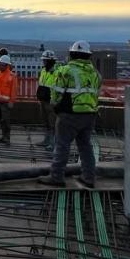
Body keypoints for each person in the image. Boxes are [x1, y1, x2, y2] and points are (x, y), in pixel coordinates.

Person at [38, 41, 101, 188]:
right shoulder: (96, 74)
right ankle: (88, 177)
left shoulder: (65, 70)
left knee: (62, 146)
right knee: (85, 147)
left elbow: (56, 94)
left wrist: (56, 106)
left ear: (71, 54)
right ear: (88, 56)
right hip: (89, 115)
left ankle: (56, 176)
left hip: (69, 115)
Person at [0, 55, 17, 143]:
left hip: (6, 103)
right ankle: (3, 136)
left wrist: (11, 101)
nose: (0, 66)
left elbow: (13, 89)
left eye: (2, 65)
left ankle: (7, 138)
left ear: (6, 65)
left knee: (6, 120)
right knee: (0, 120)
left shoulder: (11, 75)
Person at [36, 50, 58, 148]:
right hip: (43, 100)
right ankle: (47, 140)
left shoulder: (56, 72)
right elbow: (41, 84)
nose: (44, 62)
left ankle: (53, 143)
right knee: (45, 122)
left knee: (52, 123)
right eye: (43, 60)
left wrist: (54, 100)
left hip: (51, 101)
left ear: (50, 61)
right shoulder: (44, 70)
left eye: (45, 60)